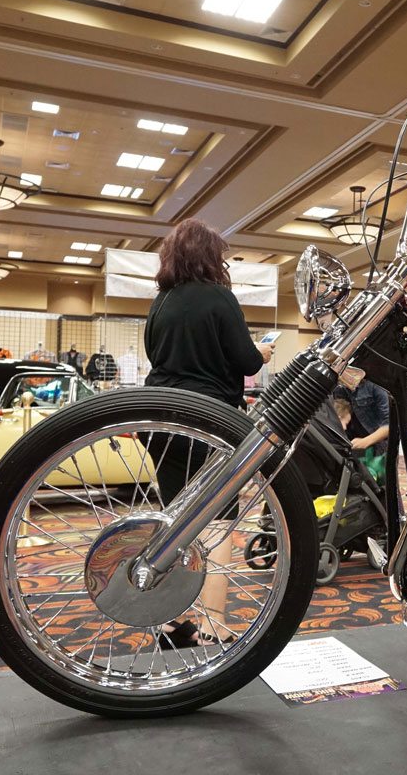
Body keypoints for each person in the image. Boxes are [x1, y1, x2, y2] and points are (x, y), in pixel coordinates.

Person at [143, 218, 275, 649]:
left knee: (175, 522)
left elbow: (154, 355)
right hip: (210, 422)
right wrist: (262, 351)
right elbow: (247, 362)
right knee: (217, 524)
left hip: (160, 419)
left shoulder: (161, 301)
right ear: (210, 256)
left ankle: (170, 622)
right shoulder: (220, 298)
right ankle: (213, 623)